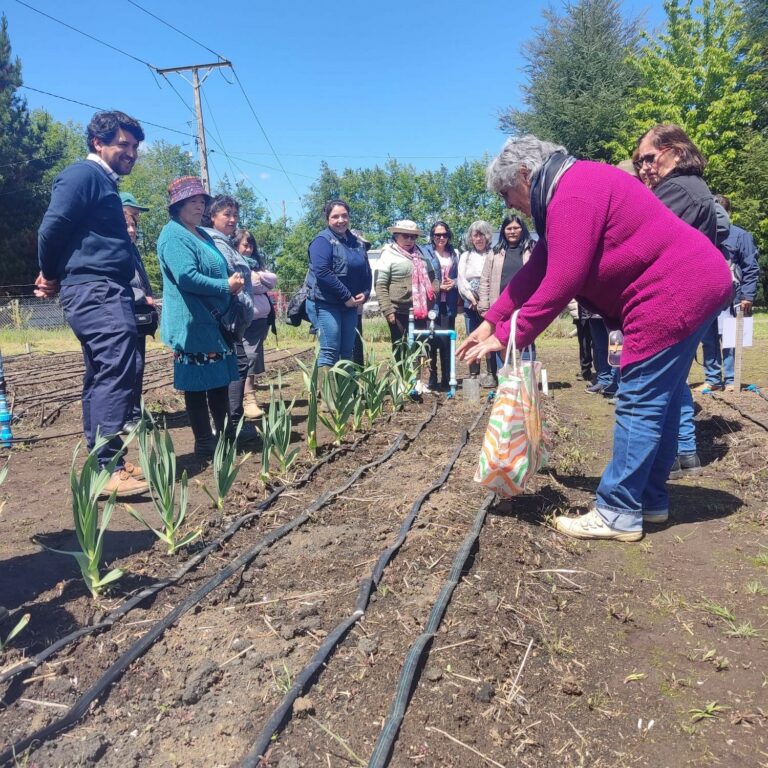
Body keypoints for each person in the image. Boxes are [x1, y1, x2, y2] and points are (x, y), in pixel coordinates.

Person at [458, 134, 731, 541]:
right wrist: (493, 319)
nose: (509, 204)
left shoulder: (573, 192)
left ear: (523, 173)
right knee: (666, 396)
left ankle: (618, 511)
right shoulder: (572, 187)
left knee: (638, 398)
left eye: (506, 193)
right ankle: (650, 500)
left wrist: (512, 333)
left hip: (669, 291)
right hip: (695, 281)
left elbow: (564, 278)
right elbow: (540, 267)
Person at [36, 110, 148, 497]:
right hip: (96, 288)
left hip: (103, 288)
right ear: (98, 143)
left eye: (135, 146)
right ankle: (105, 468)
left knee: (105, 372)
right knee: (118, 366)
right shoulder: (84, 175)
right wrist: (49, 273)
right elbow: (52, 228)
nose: (131, 152)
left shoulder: (104, 182)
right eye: (123, 144)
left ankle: (109, 460)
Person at [633, 124, 724, 475]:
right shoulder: (687, 188)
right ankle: (680, 451)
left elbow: (640, 241)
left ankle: (672, 455)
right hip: (685, 299)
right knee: (672, 381)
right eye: (640, 162)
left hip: (675, 300)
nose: (644, 168)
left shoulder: (679, 192)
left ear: (675, 151)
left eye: (649, 158)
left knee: (659, 385)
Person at [157, 177, 244, 457]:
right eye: (193, 201)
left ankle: (226, 435)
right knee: (196, 386)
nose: (199, 205)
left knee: (218, 381)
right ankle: (205, 442)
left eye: (202, 201)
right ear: (178, 205)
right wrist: (224, 287)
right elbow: (186, 277)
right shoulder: (173, 235)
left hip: (212, 321)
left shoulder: (201, 233)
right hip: (192, 324)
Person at [201, 196, 255, 439]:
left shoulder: (224, 242)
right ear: (212, 216)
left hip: (233, 316)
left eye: (235, 214)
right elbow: (229, 275)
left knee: (236, 367)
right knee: (235, 367)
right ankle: (231, 423)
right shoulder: (215, 242)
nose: (232, 219)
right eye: (226, 214)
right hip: (226, 317)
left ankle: (232, 422)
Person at [704, 195, 760, 392]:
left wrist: (747, 296)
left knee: (730, 340)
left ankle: (729, 380)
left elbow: (751, 268)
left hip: (732, 298)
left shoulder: (741, 236)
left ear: (728, 213)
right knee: (708, 339)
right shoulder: (705, 234)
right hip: (708, 298)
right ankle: (712, 379)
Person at [306, 200, 371, 366]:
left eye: (344, 216)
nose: (341, 220)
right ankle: (327, 392)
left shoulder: (357, 243)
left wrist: (365, 293)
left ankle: (345, 392)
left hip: (350, 306)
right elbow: (322, 272)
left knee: (347, 352)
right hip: (327, 304)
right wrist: (346, 296)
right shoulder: (322, 241)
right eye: (335, 216)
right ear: (328, 219)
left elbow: (367, 272)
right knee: (330, 351)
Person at [120, 191, 157, 433]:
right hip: (125, 313)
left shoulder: (132, 249)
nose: (134, 226)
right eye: (129, 220)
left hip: (137, 314)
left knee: (138, 363)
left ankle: (133, 411)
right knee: (130, 365)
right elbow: (122, 285)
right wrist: (143, 296)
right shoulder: (117, 251)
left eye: (135, 221)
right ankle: (126, 415)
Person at [479, 215, 536, 370]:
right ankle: (506, 380)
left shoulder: (532, 249)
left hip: (525, 305)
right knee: (501, 341)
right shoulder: (495, 252)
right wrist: (484, 307)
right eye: (508, 228)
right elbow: (485, 280)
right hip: (500, 305)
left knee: (526, 339)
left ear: (522, 229)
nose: (512, 231)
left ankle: (526, 381)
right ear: (503, 231)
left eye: (516, 228)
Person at [376, 220, 438, 360]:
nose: (410, 240)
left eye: (413, 237)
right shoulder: (387, 255)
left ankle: (418, 380)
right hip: (398, 311)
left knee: (421, 348)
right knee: (401, 349)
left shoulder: (422, 255)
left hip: (421, 312)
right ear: (396, 236)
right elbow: (380, 285)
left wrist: (431, 300)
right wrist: (387, 310)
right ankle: (402, 381)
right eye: (405, 236)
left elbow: (433, 280)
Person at [233, 228, 277, 417]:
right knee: (247, 358)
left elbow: (272, 280)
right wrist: (257, 281)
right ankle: (247, 399)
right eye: (245, 244)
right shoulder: (234, 263)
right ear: (235, 245)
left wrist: (258, 279)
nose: (249, 249)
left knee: (254, 358)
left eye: (251, 245)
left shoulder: (256, 265)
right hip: (243, 319)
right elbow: (248, 284)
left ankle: (247, 397)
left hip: (261, 321)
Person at [420, 221, 459, 390]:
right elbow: (420, 276)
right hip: (431, 305)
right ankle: (432, 378)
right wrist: (437, 287)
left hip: (448, 304)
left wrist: (454, 283)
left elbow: (461, 275)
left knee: (446, 342)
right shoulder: (424, 252)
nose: (441, 238)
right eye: (437, 235)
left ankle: (446, 378)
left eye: (444, 234)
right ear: (432, 236)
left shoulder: (455, 253)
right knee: (430, 342)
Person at [458, 220, 496, 386]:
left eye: (482, 234)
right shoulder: (466, 256)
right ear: (471, 238)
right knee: (473, 337)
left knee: (489, 337)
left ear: (487, 236)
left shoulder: (494, 254)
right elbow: (461, 280)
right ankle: (474, 374)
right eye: (475, 235)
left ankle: (491, 374)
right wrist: (472, 299)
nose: (479, 238)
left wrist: (486, 302)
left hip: (491, 304)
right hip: (470, 303)